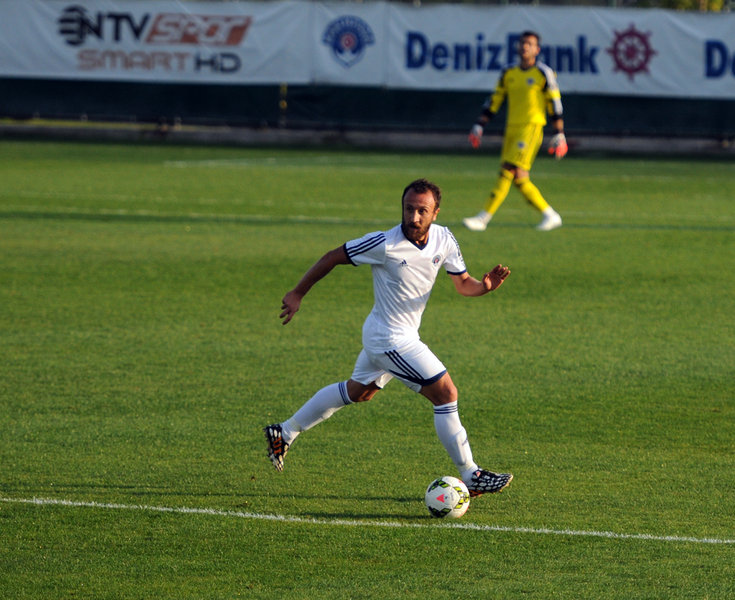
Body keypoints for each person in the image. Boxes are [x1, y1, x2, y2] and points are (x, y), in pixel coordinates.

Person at [264, 178, 513, 497]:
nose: (413, 217)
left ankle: (284, 432)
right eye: (408, 209)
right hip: (390, 340)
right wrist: (298, 293)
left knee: (359, 392)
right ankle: (471, 473)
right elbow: (332, 257)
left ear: (436, 212)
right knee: (446, 393)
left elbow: (463, 283)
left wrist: (485, 287)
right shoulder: (383, 243)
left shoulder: (444, 238)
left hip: (395, 334)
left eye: (422, 211)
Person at [463, 30, 567, 233]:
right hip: (512, 128)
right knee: (520, 179)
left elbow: (554, 102)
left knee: (508, 169)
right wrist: (480, 124)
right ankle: (550, 215)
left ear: (537, 50)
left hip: (531, 127)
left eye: (530, 44)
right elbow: (495, 99)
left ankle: (483, 218)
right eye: (522, 43)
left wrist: (559, 132)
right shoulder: (508, 72)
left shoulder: (543, 73)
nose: (525, 46)